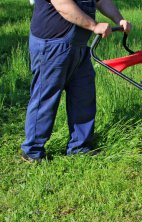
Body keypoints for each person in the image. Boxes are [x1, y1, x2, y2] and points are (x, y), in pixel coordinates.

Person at [21, 0, 132, 162]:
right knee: (46, 96)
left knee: (83, 95)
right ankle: (32, 150)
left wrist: (119, 19)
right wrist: (94, 26)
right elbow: (62, 4)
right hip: (52, 44)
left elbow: (101, 0)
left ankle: (79, 147)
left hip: (78, 45)